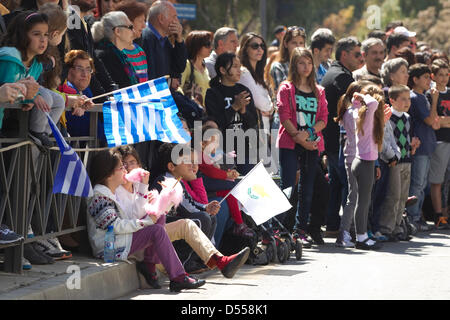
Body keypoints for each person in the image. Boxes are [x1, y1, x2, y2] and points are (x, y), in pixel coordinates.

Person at [112, 145, 251, 281]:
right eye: (124, 164)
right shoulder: (118, 189)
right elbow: (135, 217)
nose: (129, 168)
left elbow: (188, 204)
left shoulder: (141, 186)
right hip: (137, 235)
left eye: (133, 163)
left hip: (148, 229)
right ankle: (184, 264)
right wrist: (151, 214)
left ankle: (220, 261)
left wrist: (204, 204)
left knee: (192, 222)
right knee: (199, 219)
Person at [87, 149, 206, 292]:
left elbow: (134, 214)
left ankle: (156, 268)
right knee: (156, 230)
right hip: (108, 248)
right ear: (109, 174)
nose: (125, 170)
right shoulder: (99, 195)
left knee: (159, 216)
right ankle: (177, 277)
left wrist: (148, 192)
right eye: (121, 167)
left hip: (119, 239)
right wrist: (146, 222)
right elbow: (115, 225)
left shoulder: (109, 191)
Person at [276, 47, 328, 245]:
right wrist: (298, 138)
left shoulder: (319, 90)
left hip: (312, 143)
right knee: (288, 186)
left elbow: (323, 119)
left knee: (307, 189)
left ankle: (300, 230)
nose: (306, 67)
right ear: (294, 65)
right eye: (301, 63)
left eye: (309, 63)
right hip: (291, 142)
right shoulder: (286, 88)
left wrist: (309, 135)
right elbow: (284, 115)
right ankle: (281, 229)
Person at [321, 36, 363, 237]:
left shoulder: (337, 73)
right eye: (356, 54)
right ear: (344, 54)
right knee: (348, 185)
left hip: (333, 140)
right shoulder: (341, 77)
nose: (360, 58)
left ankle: (333, 226)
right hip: (338, 140)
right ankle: (350, 229)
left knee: (337, 184)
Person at [205, 52, 258, 175]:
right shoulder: (213, 93)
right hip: (222, 150)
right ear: (222, 70)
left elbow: (253, 122)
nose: (239, 70)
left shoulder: (244, 91)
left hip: (244, 150)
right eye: (234, 66)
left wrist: (243, 110)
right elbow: (216, 124)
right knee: (227, 187)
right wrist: (234, 106)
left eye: (239, 67)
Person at [378, 85, 420, 240]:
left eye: (408, 99)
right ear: (392, 100)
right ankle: (386, 227)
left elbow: (407, 138)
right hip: (394, 161)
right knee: (393, 195)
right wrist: (392, 156)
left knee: (403, 196)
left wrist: (412, 146)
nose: (407, 102)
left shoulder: (408, 117)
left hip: (407, 159)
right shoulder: (390, 118)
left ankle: (397, 226)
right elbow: (389, 140)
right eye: (403, 99)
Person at [351, 85, 385, 250]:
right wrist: (362, 94)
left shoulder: (359, 112)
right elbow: (372, 104)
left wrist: (358, 99)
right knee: (363, 202)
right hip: (364, 163)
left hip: (362, 162)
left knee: (363, 201)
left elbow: (360, 104)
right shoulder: (368, 114)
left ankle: (362, 235)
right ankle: (361, 237)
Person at [407, 63, 440, 231]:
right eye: (426, 77)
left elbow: (434, 123)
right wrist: (434, 101)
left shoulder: (422, 96)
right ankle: (413, 217)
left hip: (427, 145)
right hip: (419, 147)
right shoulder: (415, 97)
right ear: (415, 79)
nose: (429, 80)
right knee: (417, 183)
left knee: (423, 184)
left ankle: (417, 215)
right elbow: (429, 120)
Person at [333, 81, 366, 247]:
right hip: (355, 158)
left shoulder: (353, 111)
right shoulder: (354, 113)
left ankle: (351, 231)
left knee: (356, 196)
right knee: (353, 197)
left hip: (356, 156)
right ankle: (343, 233)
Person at [65, 0, 117, 95]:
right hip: (73, 93)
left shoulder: (82, 21)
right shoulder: (71, 19)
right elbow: (80, 61)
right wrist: (103, 96)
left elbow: (93, 59)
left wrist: (111, 88)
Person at [58, 50, 106, 144]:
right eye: (79, 69)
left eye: (88, 69)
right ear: (68, 70)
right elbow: (83, 129)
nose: (85, 74)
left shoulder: (86, 91)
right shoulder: (67, 90)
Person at [426, 59, 450, 229]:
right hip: (439, 141)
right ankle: (438, 214)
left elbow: (441, 120)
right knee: (437, 180)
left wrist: (443, 121)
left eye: (446, 74)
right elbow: (433, 121)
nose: (443, 78)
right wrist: (435, 100)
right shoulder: (430, 94)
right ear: (433, 76)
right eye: (439, 75)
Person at [238, 32, 273, 137]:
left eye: (262, 46)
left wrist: (271, 109)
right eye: (255, 46)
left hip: (264, 129)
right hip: (251, 131)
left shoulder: (259, 74)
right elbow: (260, 102)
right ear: (245, 49)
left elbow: (267, 102)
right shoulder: (243, 72)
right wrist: (270, 109)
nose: (260, 49)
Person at [92, 11, 139, 89]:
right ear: (117, 31)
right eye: (130, 27)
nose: (133, 32)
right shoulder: (104, 57)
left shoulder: (120, 55)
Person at [141, 0, 186, 80]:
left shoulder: (164, 40)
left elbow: (178, 68)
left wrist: (179, 40)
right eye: (174, 17)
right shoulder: (145, 37)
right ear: (161, 18)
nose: (177, 21)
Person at [116, 1, 150, 83]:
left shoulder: (140, 51)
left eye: (144, 21)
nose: (144, 26)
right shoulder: (117, 52)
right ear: (127, 22)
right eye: (140, 21)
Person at [180, 30, 213, 107]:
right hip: (193, 112)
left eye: (211, 44)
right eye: (207, 44)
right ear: (197, 46)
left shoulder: (205, 67)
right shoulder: (187, 64)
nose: (211, 48)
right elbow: (179, 88)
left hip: (204, 112)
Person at [269, 26, 306, 94]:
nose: (298, 46)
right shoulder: (278, 67)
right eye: (294, 43)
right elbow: (282, 94)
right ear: (286, 44)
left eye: (301, 43)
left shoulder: (308, 65)